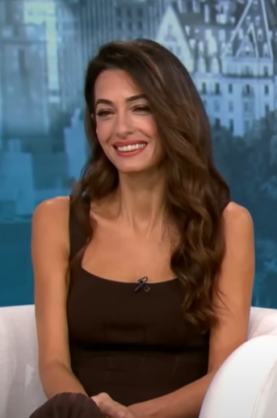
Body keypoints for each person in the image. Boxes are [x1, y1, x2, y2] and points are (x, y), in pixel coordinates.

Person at [28, 39, 255, 418]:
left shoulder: (229, 226)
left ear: (173, 114)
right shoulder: (55, 220)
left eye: (140, 108)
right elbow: (53, 363)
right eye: (106, 112)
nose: (121, 128)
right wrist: (92, 413)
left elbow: (222, 373)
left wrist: (131, 416)